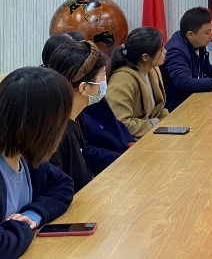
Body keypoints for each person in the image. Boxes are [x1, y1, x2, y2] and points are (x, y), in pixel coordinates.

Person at [0, 67, 74, 258]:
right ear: (42, 125)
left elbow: (63, 185)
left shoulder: (24, 157)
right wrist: (22, 227)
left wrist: (33, 214)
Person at [47, 41, 133, 191]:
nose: (105, 82)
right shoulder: (55, 132)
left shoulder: (76, 117)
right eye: (103, 77)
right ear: (84, 87)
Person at [107, 27, 169, 138]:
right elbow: (120, 123)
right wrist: (151, 124)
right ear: (145, 57)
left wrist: (169, 122)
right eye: (161, 49)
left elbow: (159, 109)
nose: (165, 51)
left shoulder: (153, 70)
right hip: (131, 140)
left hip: (151, 133)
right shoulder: (122, 79)